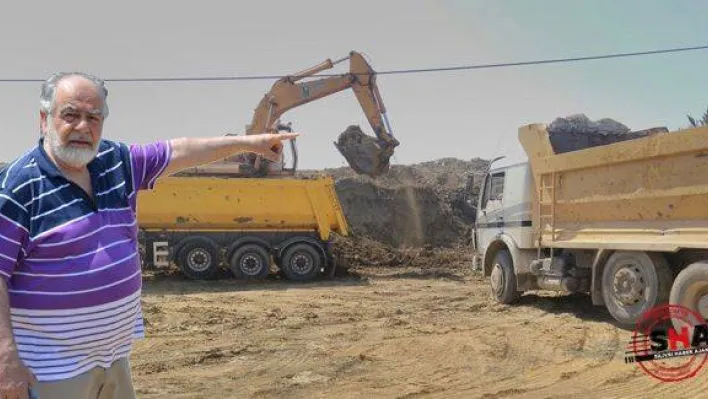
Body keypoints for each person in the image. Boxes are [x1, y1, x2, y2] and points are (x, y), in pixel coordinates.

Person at [0, 72, 299, 399]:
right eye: (70, 115)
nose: (83, 127)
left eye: (93, 117)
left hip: (113, 361)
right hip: (51, 371)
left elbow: (180, 150)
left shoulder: (116, 162)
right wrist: (5, 359)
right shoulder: (18, 187)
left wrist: (247, 143)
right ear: (45, 120)